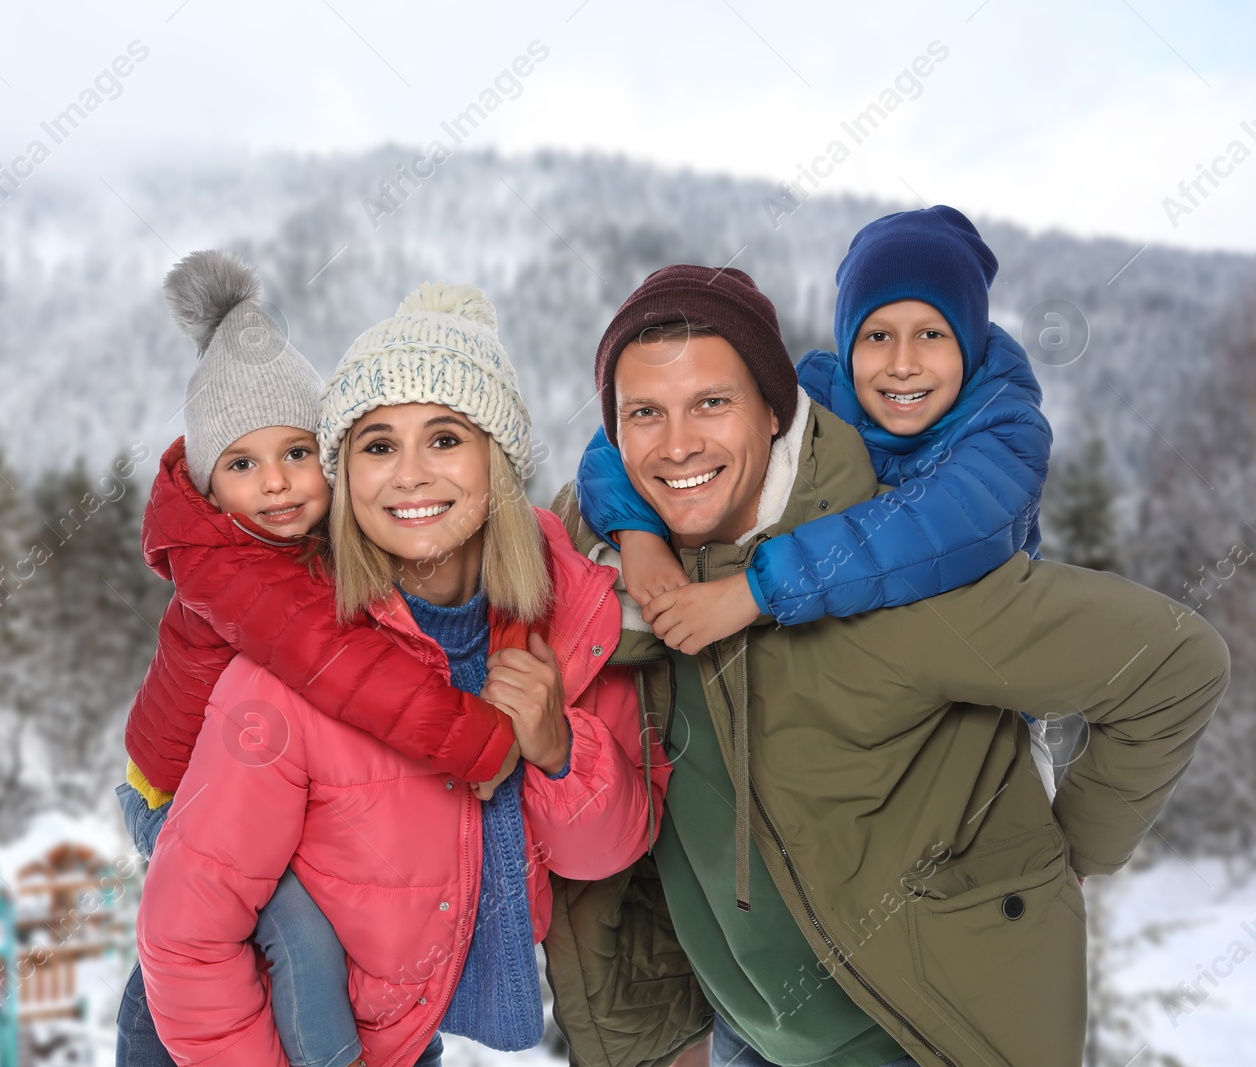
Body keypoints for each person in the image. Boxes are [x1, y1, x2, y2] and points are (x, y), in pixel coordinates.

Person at [543, 264, 1228, 1067]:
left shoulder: (889, 568)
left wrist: (1072, 855)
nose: (679, 442)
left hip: (922, 1039)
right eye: (645, 414)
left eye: (712, 403)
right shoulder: (608, 580)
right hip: (745, 1038)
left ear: (774, 409)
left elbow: (1173, 664)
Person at [135, 281, 668, 1066]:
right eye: (379, 445)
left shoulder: (572, 623)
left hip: (415, 1038)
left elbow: (607, 851)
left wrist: (560, 750)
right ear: (347, 475)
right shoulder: (299, 670)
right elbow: (188, 935)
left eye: (446, 438)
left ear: (498, 462)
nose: (410, 474)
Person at [115, 252, 523, 1067]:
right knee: (300, 939)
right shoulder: (231, 568)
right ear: (207, 480)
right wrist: (472, 737)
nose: (276, 484)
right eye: (241, 464)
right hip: (163, 792)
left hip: (220, 791)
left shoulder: (302, 550)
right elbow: (338, 663)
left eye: (298, 453)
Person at [575, 207, 1059, 795]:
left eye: (932, 334)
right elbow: (619, 442)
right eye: (877, 336)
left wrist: (756, 590)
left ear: (972, 338)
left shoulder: (1006, 429)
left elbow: (931, 530)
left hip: (984, 709)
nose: (903, 364)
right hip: (860, 689)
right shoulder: (824, 393)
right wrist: (640, 536)